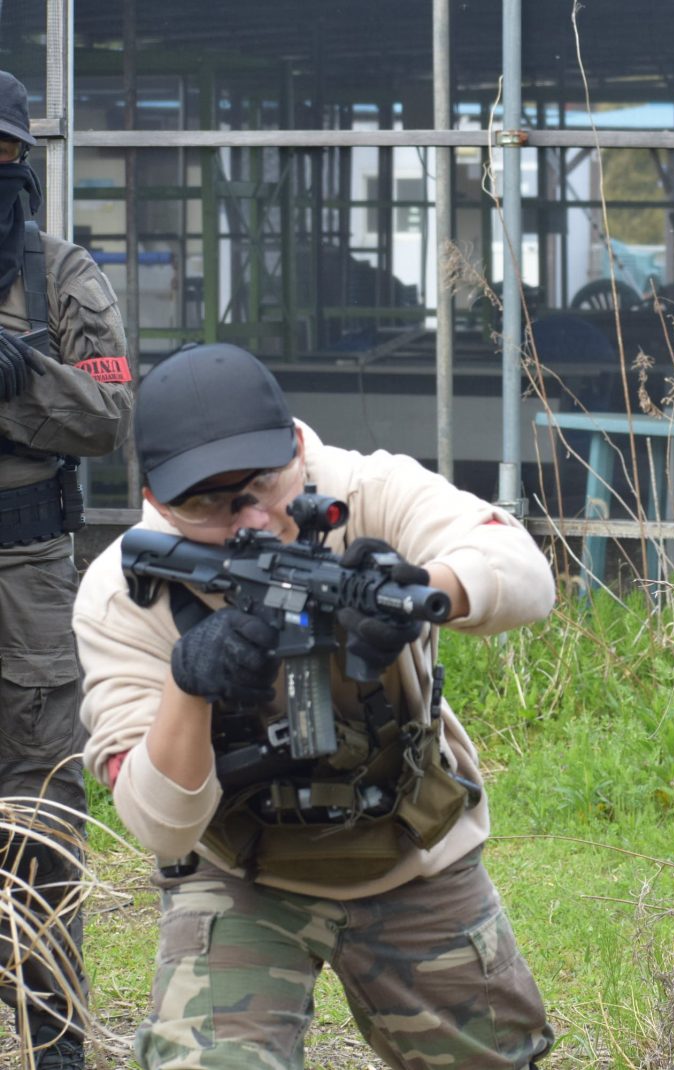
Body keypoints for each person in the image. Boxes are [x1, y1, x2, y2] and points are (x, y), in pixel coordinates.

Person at [73, 343, 557, 1069]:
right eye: (207, 504)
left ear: (299, 448)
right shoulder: (123, 592)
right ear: (156, 503)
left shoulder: (367, 489)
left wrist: (424, 587)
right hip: (240, 872)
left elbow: (524, 573)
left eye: (263, 485)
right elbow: (162, 826)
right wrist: (189, 685)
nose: (251, 521)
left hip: (410, 851)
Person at [0, 68, 133, 1070]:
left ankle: (53, 1042)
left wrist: (19, 376)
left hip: (28, 577)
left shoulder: (59, 273)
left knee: (40, 806)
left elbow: (110, 413)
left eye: (1, 153)